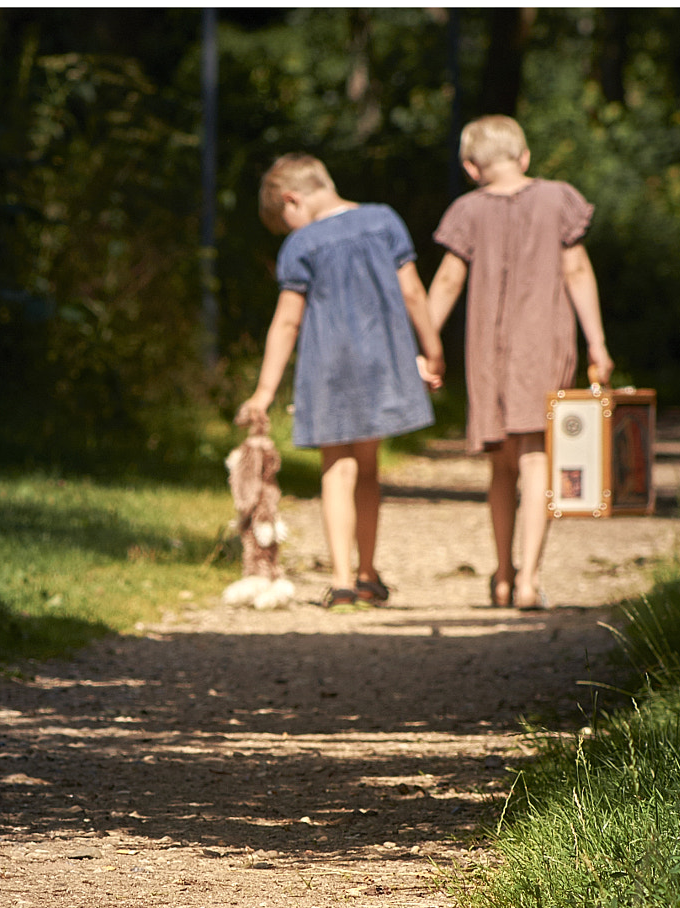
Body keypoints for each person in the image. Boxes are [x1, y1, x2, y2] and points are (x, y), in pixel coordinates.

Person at [235, 154, 444, 611]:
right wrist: (432, 348)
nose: (289, 229)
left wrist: (264, 392)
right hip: (379, 364)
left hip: (327, 371)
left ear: (293, 199)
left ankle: (343, 580)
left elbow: (287, 323)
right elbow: (412, 291)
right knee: (367, 468)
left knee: (338, 469)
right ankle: (368, 574)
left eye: (285, 220)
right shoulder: (383, 220)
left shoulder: (302, 244)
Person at [426, 115, 613, 610]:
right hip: (544, 344)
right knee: (536, 458)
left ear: (471, 166)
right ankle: (529, 579)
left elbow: (447, 281)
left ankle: (503, 576)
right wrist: (597, 342)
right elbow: (575, 269)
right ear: (525, 156)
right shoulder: (558, 198)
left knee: (500, 466)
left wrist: (424, 345)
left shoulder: (466, 210)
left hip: (488, 350)